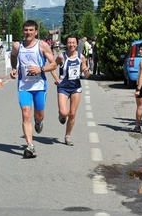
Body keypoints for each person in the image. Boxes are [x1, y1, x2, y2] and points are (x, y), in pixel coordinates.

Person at [9, 20, 57, 158]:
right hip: (24, 86)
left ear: (36, 31)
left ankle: (39, 122)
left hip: (39, 86)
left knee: (39, 114)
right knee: (25, 114)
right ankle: (30, 146)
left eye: (31, 30)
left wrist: (40, 69)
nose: (28, 33)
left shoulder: (42, 46)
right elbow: (13, 56)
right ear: (23, 31)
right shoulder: (17, 46)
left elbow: (53, 65)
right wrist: (14, 68)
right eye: (26, 30)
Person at [50, 34, 90, 146]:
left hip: (76, 87)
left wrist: (85, 70)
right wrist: (56, 78)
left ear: (77, 44)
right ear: (66, 44)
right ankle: (61, 116)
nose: (71, 45)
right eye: (69, 43)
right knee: (64, 112)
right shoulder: (62, 57)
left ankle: (67, 136)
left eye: (73, 43)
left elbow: (87, 75)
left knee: (72, 114)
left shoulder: (81, 57)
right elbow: (52, 67)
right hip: (63, 87)